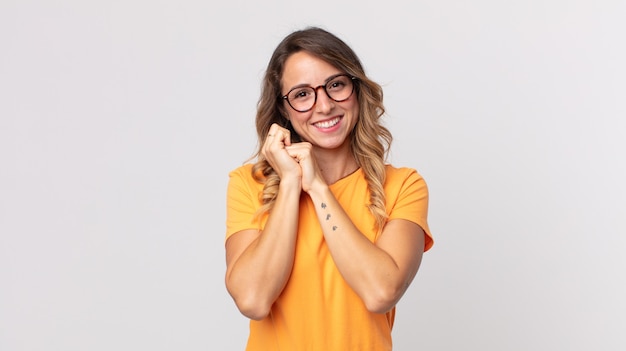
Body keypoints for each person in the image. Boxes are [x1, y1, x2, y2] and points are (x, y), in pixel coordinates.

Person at [224, 26, 434, 350]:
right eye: (303, 94)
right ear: (284, 110)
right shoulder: (250, 185)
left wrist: (319, 188)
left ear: (356, 90)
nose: (324, 106)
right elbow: (252, 300)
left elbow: (381, 292)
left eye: (335, 85)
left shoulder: (403, 186)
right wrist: (291, 183)